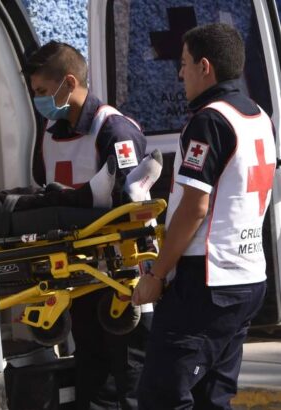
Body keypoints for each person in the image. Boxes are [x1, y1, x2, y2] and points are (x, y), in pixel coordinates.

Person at [0, 41, 160, 410]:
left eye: (42, 91)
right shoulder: (50, 133)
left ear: (68, 82)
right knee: (92, 375)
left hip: (120, 276)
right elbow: (46, 183)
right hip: (76, 272)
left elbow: (127, 199)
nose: (39, 100)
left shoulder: (114, 129)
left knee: (133, 377)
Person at [132, 23, 273, 409]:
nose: (180, 74)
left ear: (205, 67)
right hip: (247, 279)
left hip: (206, 283)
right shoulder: (258, 115)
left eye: (184, 64)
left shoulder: (209, 121)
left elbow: (195, 207)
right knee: (212, 399)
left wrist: (157, 275)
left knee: (161, 397)